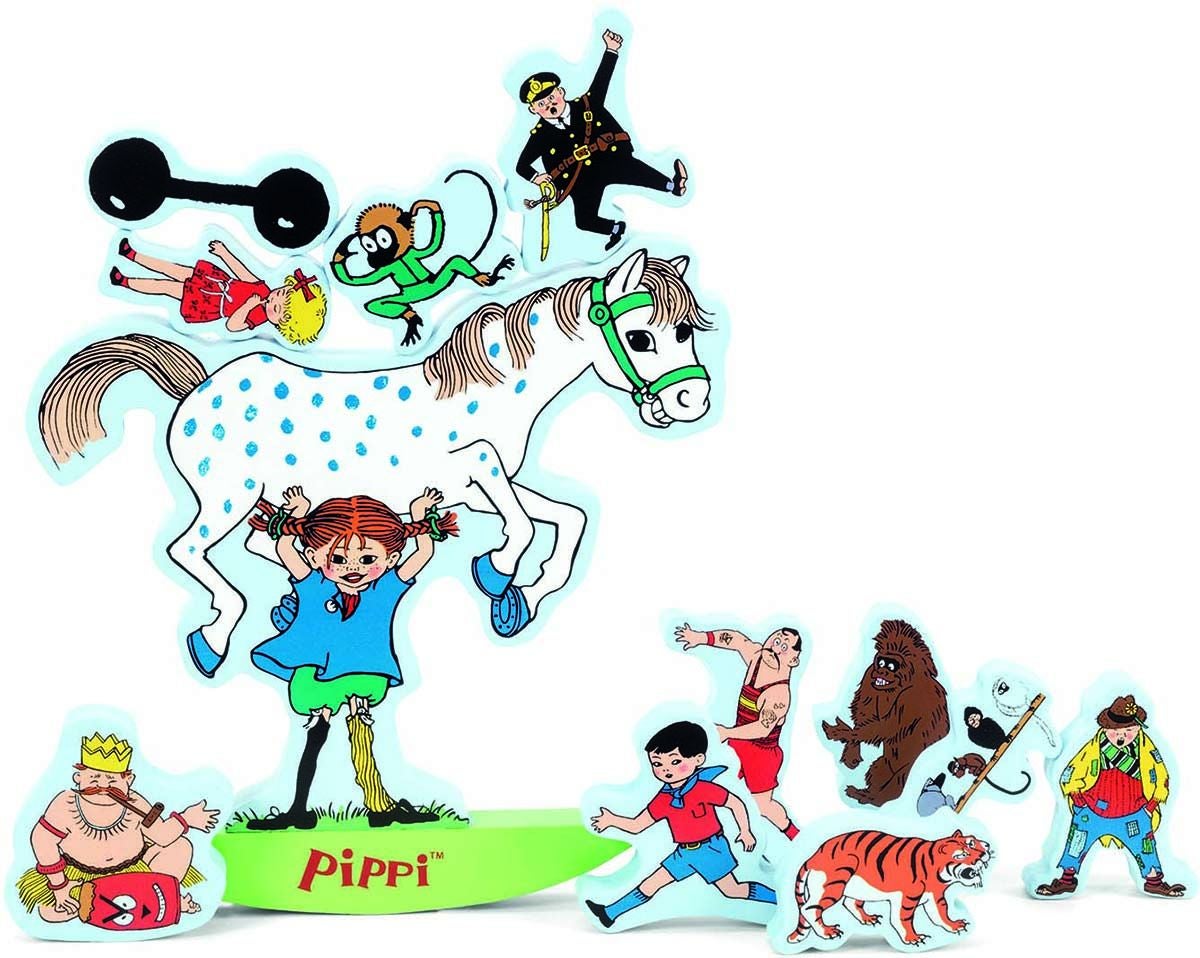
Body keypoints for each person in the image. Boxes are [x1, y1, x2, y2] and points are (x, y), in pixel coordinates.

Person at [243, 486, 458, 830]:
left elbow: (423, 552)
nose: (352, 568)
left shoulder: (385, 589)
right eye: (339, 560)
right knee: (316, 736)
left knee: (361, 734)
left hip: (363, 670)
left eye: (368, 559)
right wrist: (298, 511)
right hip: (320, 673)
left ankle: (378, 806)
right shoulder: (314, 585)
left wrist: (419, 514)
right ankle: (298, 809)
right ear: (314, 557)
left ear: (390, 559)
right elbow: (284, 547)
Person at [584, 720, 775, 928]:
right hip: (684, 853)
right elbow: (638, 825)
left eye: (675, 762)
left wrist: (745, 831)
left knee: (733, 890)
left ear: (698, 759)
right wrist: (612, 820)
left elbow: (735, 803)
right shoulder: (663, 798)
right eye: (657, 764)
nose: (666, 769)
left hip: (712, 850)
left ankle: (780, 899)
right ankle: (609, 913)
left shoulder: (703, 788)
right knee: (651, 884)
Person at [515, 27, 687, 251]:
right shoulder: (539, 136)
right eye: (541, 104)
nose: (549, 105)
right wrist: (537, 177)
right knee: (583, 220)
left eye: (551, 97)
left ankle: (674, 186)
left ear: (561, 92)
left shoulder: (587, 104)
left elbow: (602, 80)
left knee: (640, 173)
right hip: (580, 181)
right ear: (533, 110)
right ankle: (615, 229)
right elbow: (521, 165)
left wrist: (611, 50)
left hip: (609, 160)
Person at [15, 733, 218, 922]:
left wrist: (186, 819)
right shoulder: (65, 803)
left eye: (112, 780)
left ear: (128, 780)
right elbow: (42, 840)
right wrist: (60, 887)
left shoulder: (135, 803)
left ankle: (155, 898)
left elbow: (162, 836)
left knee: (180, 847)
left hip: (134, 871)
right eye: (94, 779)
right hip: (77, 877)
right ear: (78, 778)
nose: (103, 787)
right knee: (49, 912)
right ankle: (95, 905)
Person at [1036, 694, 1186, 898]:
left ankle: (1154, 881)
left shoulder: (1147, 750)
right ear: (1106, 729)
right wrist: (1077, 798)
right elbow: (1073, 769)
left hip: (1134, 811)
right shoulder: (1093, 747)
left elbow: (1160, 773)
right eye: (1115, 732)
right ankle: (1066, 879)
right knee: (1076, 842)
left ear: (1138, 729)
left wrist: (1152, 803)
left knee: (1145, 846)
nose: (1121, 737)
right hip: (1092, 810)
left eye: (1128, 731)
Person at [675, 623, 802, 839]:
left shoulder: (780, 694)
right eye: (776, 640)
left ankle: (795, 835)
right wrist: (700, 637)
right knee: (715, 782)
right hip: (738, 742)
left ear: (793, 660)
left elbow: (762, 728)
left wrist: (727, 732)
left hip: (762, 754)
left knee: (762, 806)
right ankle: (710, 830)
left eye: (784, 647)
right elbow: (735, 639)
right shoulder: (757, 656)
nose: (776, 648)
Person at [110, 238, 327, 345]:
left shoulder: (259, 318)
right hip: (214, 281)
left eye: (276, 308)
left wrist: (248, 306)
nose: (272, 299)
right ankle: (132, 255)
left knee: (167, 287)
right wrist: (224, 253)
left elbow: (232, 326)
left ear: (282, 322)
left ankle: (124, 281)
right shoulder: (263, 289)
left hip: (208, 302)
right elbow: (242, 272)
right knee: (172, 268)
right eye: (278, 293)